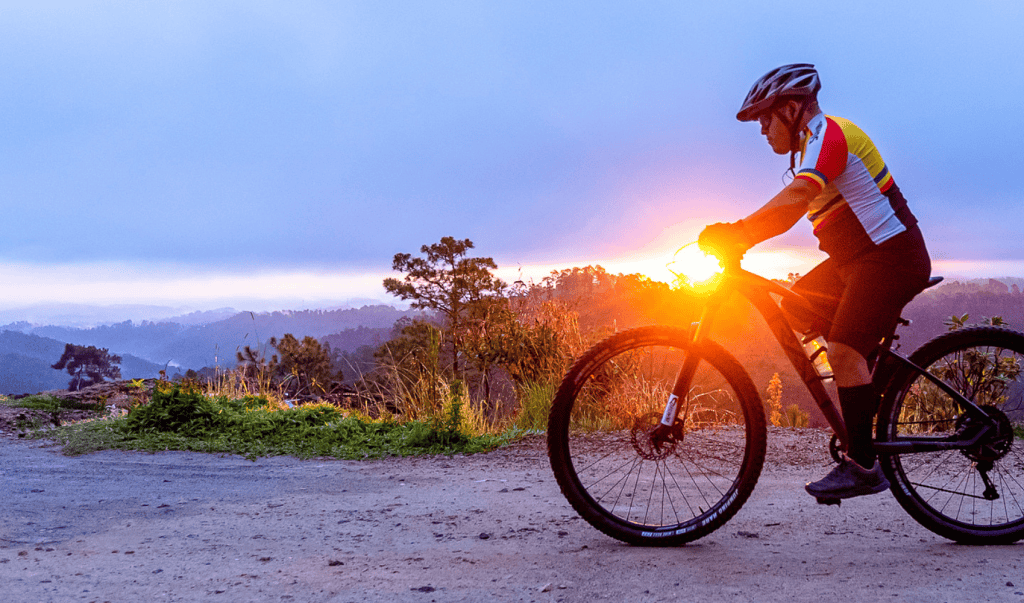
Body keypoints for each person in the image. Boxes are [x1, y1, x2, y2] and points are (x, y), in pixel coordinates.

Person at [698, 63, 932, 500]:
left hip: (891, 257)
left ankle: (863, 465)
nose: (763, 131)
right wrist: (742, 234)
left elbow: (795, 200)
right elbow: (791, 204)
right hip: (856, 262)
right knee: (796, 306)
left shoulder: (831, 134)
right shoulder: (811, 144)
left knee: (842, 351)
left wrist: (738, 232)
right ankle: (870, 384)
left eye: (766, 119)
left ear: (790, 109)